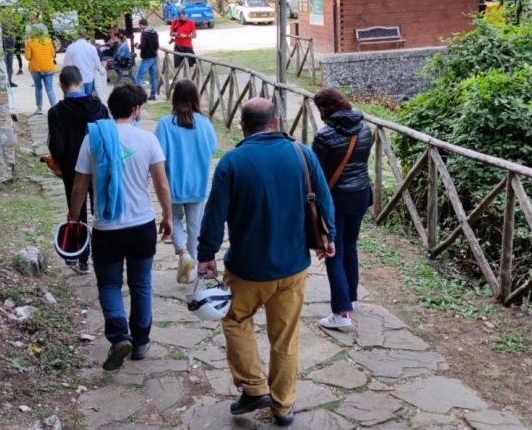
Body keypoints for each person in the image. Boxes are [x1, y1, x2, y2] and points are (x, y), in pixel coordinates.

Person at [197, 98, 335, 428]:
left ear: (243, 126)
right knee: (285, 337)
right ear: (276, 122)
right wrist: (329, 238)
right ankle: (283, 406)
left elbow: (214, 216)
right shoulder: (302, 154)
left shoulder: (232, 163)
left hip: (246, 269)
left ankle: (253, 386)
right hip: (292, 267)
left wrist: (206, 256)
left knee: (234, 320)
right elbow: (324, 198)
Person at [68, 84, 173, 371]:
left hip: (107, 228)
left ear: (111, 109)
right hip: (141, 225)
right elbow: (162, 184)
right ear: (137, 109)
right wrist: (168, 216)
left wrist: (74, 217)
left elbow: (80, 184)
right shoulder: (147, 140)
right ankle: (140, 341)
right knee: (141, 284)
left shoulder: (94, 139)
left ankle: (118, 337)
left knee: (110, 284)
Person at [311, 88, 373, 332]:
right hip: (361, 194)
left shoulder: (324, 136)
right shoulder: (365, 128)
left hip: (335, 198)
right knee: (350, 246)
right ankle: (351, 297)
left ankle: (341, 312)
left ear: (324, 109)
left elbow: (317, 174)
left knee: (332, 250)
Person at [154, 80, 218, 283]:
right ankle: (195, 266)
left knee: (173, 219)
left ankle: (183, 254)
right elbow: (213, 148)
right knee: (195, 226)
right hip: (197, 183)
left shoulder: (165, 123)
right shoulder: (204, 122)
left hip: (173, 183)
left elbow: (159, 154)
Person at [48, 66, 110, 273]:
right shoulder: (98, 106)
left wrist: (59, 162)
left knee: (77, 212)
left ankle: (82, 257)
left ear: (61, 86)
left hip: (72, 169)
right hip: (99, 165)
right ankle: (104, 254)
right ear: (81, 82)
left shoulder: (56, 112)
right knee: (99, 208)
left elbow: (56, 145)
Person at [24, 23, 57, 114]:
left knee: (38, 88)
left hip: (35, 69)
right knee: (50, 89)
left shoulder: (30, 42)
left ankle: (39, 108)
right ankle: (54, 108)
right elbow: (53, 54)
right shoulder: (48, 41)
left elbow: (27, 57)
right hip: (48, 68)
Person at [135, 18, 159, 100]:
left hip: (147, 58)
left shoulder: (144, 33)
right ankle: (153, 95)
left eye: (140, 25)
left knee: (138, 77)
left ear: (141, 25)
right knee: (153, 77)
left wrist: (138, 46)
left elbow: (143, 46)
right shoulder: (154, 32)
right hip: (154, 57)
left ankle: (139, 96)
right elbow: (156, 45)